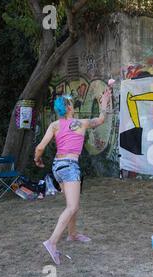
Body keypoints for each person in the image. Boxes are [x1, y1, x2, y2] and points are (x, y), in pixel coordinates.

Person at [34, 85, 113, 265]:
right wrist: (104, 103)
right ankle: (52, 242)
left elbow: (40, 147)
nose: (73, 104)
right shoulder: (82, 123)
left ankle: (72, 234)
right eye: (71, 103)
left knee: (73, 204)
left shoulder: (54, 125)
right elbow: (101, 119)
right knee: (72, 206)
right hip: (70, 166)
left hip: (57, 167)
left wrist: (37, 159)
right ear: (69, 108)